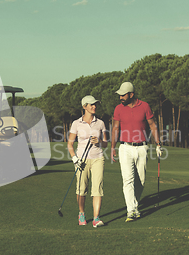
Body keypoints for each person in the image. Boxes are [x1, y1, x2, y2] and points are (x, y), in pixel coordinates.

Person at [110, 82, 163, 222]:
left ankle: (134, 206)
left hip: (142, 147)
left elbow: (152, 124)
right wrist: (112, 147)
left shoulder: (144, 106)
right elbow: (115, 128)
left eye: (123, 94)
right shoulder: (118, 108)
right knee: (128, 180)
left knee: (141, 180)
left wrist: (158, 144)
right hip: (125, 147)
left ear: (131, 94)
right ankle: (131, 211)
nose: (121, 97)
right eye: (120, 95)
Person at [68, 95, 108, 228]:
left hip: (98, 158)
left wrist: (100, 142)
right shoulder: (76, 123)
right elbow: (70, 144)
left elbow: (106, 143)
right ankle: (81, 214)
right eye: (91, 104)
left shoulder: (100, 123)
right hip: (81, 160)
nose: (94, 106)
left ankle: (96, 218)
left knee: (97, 189)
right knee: (81, 189)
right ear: (84, 106)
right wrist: (75, 159)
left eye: (95, 104)